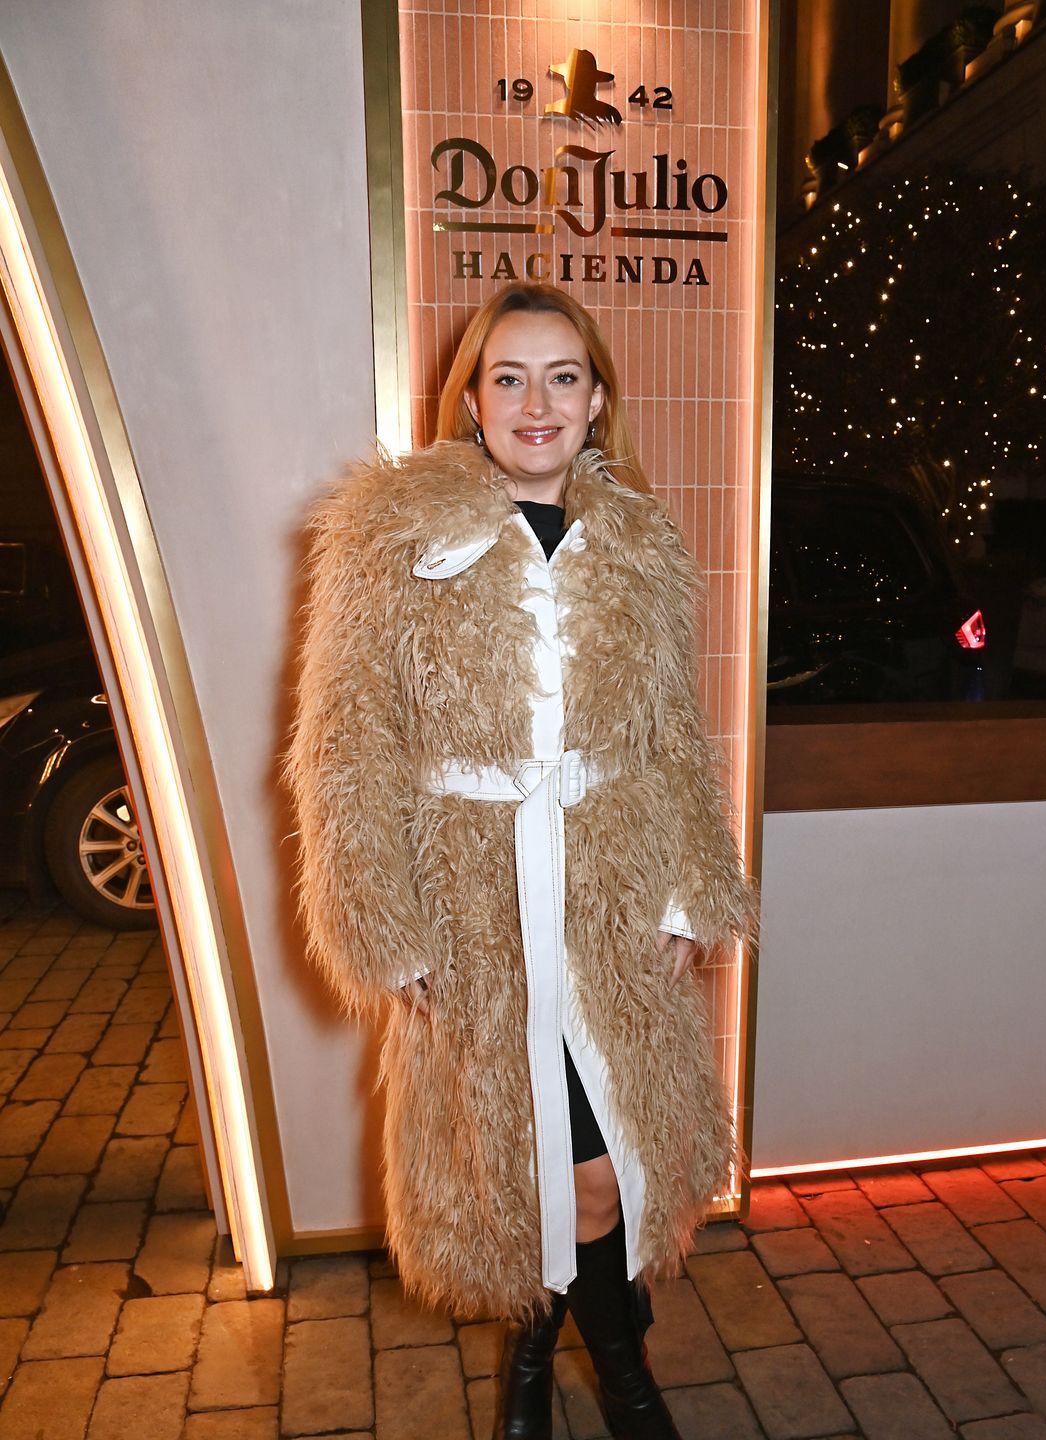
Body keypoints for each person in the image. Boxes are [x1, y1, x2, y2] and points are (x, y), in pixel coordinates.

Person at [284, 282, 757, 1440]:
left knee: (601, 1171)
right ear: (474, 400)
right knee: (519, 1167)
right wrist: (379, 923)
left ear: (597, 401)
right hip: (471, 905)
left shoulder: (639, 540)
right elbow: (344, 745)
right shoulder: (390, 535)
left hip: (606, 895)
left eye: (561, 377)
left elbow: (667, 734)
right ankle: (582, 1381)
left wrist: (695, 881)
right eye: (509, 376)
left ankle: (560, 1374)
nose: (535, 402)